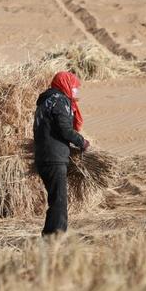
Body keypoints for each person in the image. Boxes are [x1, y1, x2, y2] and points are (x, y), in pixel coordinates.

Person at [33, 71, 89, 236]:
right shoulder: (59, 101)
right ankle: (55, 236)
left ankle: (50, 234)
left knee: (56, 198)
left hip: (45, 156)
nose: (75, 92)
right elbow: (64, 129)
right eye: (74, 88)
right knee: (59, 200)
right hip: (54, 157)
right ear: (65, 84)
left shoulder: (46, 102)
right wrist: (81, 142)